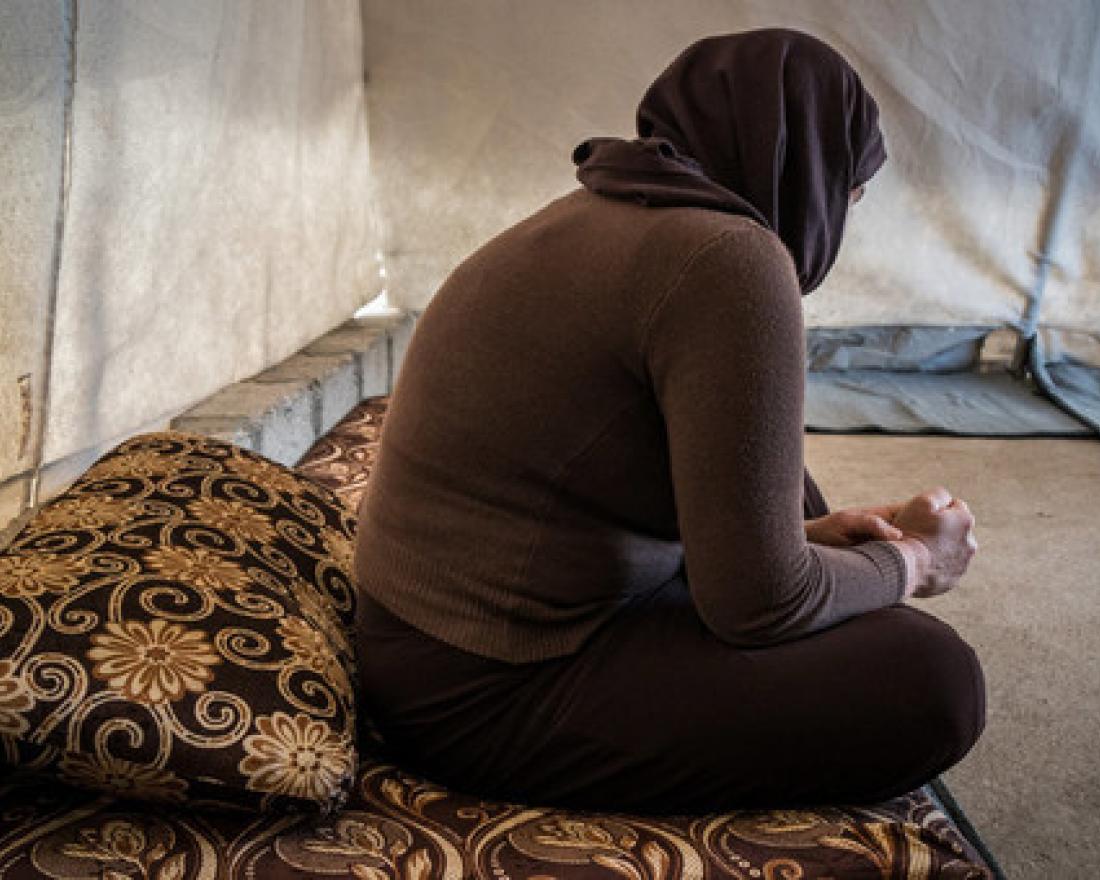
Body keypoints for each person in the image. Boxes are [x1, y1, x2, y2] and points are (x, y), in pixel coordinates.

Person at [352, 28, 985, 814]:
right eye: (850, 189)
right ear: (809, 165)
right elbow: (763, 606)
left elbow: (600, 474)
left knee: (802, 504)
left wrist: (813, 537)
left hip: (422, 643)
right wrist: (915, 562)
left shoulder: (589, 215)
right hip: (481, 691)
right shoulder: (731, 259)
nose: (845, 213)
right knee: (933, 681)